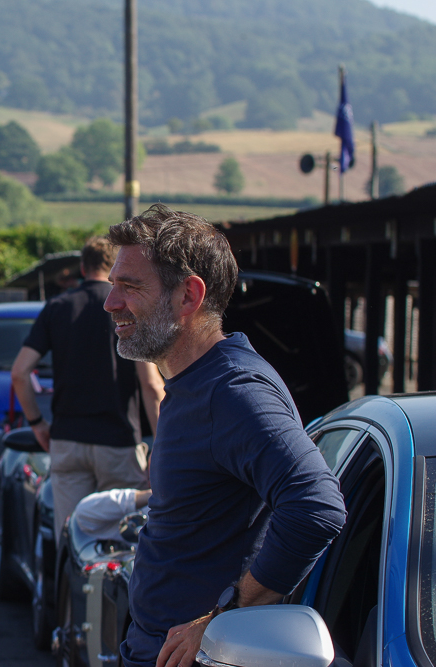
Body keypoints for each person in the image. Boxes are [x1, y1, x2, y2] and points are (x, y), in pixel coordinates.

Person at [102, 204, 346, 667]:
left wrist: (225, 617)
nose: (111, 302)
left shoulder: (232, 391)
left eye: (130, 287)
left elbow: (316, 504)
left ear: (189, 296)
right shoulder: (195, 382)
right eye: (114, 285)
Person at [11, 236, 165, 542]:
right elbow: (150, 384)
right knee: (122, 544)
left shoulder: (56, 307)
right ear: (114, 269)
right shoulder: (128, 307)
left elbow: (19, 372)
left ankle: (67, 590)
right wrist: (161, 448)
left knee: (71, 539)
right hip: (118, 444)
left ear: (82, 267)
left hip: (68, 441)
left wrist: (37, 424)